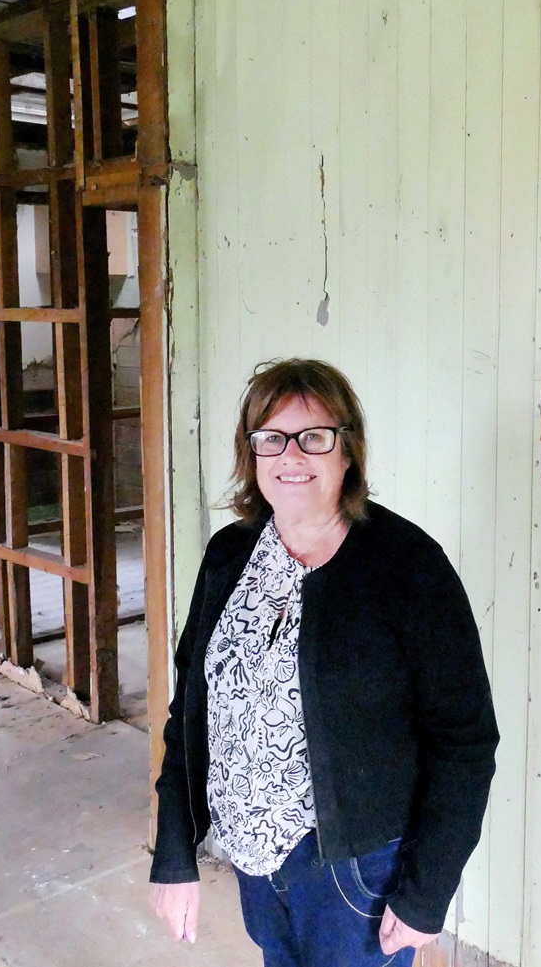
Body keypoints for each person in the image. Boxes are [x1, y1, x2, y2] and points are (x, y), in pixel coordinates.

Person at [149, 358, 499, 967]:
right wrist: (174, 853)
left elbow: (464, 741)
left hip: (356, 874)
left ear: (347, 451)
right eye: (271, 438)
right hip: (253, 864)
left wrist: (425, 893)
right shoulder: (229, 555)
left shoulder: (408, 567)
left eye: (314, 437)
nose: (292, 456)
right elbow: (191, 713)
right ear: (251, 452)